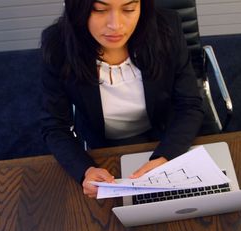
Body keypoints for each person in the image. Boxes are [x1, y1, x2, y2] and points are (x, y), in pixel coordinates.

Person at [40, 0, 204, 198]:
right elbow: (54, 125)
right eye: (100, 10)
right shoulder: (58, 44)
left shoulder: (166, 28)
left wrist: (166, 157)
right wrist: (85, 170)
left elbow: (190, 104)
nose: (115, 25)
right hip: (102, 145)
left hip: (163, 134)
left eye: (129, 9)